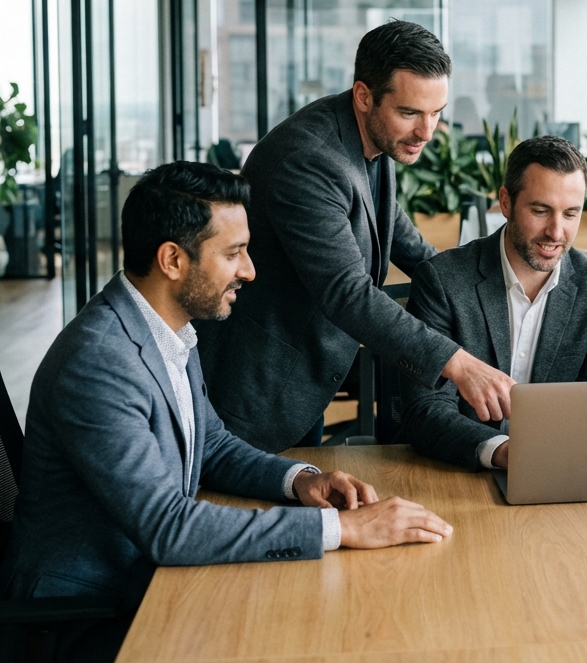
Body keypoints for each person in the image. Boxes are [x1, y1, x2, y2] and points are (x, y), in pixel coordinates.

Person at [0, 163, 452, 662]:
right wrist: (343, 530)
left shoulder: (167, 327)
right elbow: (168, 528)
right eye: (233, 253)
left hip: (150, 582)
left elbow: (209, 443)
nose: (249, 270)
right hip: (90, 616)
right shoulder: (99, 362)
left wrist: (301, 480)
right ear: (172, 259)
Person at [197, 20, 513, 453]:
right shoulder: (309, 160)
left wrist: (485, 292)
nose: (427, 131)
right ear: (365, 95)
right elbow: (347, 292)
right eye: (411, 113)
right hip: (258, 388)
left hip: (304, 377)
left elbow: (406, 242)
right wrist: (456, 363)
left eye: (436, 112)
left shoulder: (373, 138)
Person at [401, 136, 587, 471]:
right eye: (540, 211)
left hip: (562, 470)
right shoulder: (443, 279)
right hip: (459, 472)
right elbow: (425, 410)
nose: (556, 231)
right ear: (506, 202)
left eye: (570, 213)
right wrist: (501, 451)